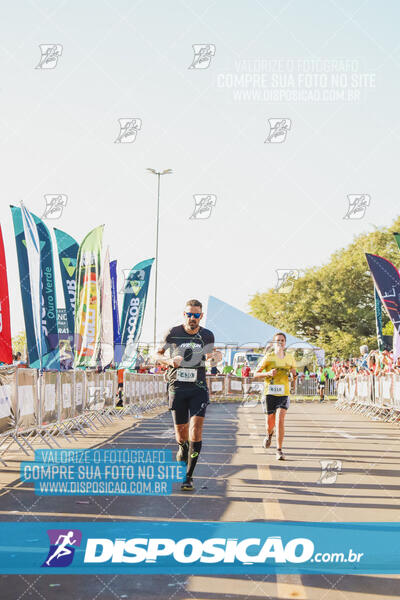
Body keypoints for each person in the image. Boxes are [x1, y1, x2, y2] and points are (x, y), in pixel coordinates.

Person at [154, 299, 220, 491]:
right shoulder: (173, 333)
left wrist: (215, 357)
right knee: (181, 435)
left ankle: (189, 477)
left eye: (196, 315)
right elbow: (156, 355)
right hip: (177, 388)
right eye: (189, 314)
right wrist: (169, 360)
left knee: (196, 431)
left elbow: (212, 355)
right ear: (184, 315)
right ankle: (182, 447)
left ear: (201, 316)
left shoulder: (207, 335)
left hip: (198, 388)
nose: (192, 318)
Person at [254, 332, 296, 460]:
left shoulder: (290, 357)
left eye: (282, 340)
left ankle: (279, 450)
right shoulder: (269, 356)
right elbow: (256, 374)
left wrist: (294, 375)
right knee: (269, 423)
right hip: (270, 393)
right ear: (273, 343)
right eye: (277, 340)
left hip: (284, 393)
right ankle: (269, 435)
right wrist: (268, 373)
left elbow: (294, 375)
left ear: (285, 342)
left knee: (280, 420)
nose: (280, 342)